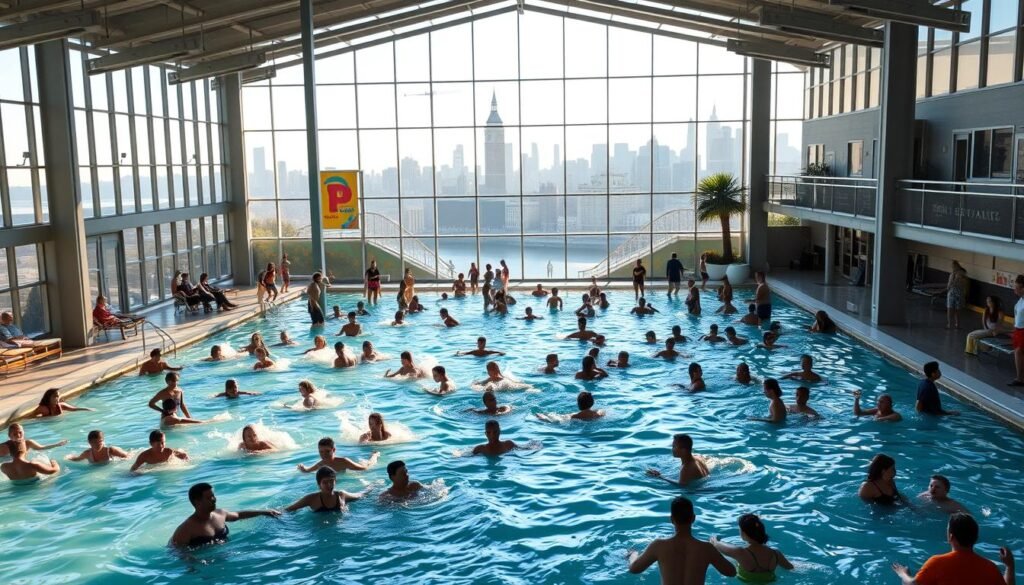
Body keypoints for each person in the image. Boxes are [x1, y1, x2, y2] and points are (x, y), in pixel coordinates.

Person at [626, 496, 737, 582]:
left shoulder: (658, 545)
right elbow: (731, 572)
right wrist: (715, 551)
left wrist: (633, 554)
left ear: (671, 519)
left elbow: (634, 569)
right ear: (693, 518)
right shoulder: (707, 548)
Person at [892, 513, 1015, 585]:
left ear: (950, 536)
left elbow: (912, 584)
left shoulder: (936, 563)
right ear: (976, 538)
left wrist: (903, 574)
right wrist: (1010, 566)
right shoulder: (990, 568)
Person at [170, 483, 280, 548]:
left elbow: (238, 515)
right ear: (197, 502)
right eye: (209, 498)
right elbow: (177, 551)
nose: (214, 500)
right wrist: (194, 563)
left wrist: (263, 512)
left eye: (213, 496)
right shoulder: (186, 529)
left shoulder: (220, 514)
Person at [710, 514, 795, 582]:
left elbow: (717, 545)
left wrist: (714, 540)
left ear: (743, 533)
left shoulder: (740, 552)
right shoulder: (776, 554)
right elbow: (790, 568)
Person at [286, 467, 368, 513]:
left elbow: (360, 495)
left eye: (331, 481)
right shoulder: (311, 499)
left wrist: (372, 487)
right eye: (325, 482)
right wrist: (275, 512)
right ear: (319, 484)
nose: (329, 485)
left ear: (335, 481)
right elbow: (288, 509)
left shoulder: (341, 495)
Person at [646, 434, 710, 487]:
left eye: (674, 447)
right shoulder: (698, 457)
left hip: (700, 492)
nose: (672, 449)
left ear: (683, 450)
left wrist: (660, 477)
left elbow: (681, 486)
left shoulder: (686, 468)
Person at [297, 437, 379, 473]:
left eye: (327, 451)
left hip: (359, 466)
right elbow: (308, 470)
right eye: (321, 452)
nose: (324, 455)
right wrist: (302, 467)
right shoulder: (321, 464)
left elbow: (364, 469)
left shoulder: (343, 461)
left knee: (367, 465)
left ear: (334, 450)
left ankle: (374, 455)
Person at [0, 423, 67, 457]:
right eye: (15, 434)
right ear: (10, 436)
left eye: (20, 432)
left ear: (24, 432)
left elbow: (42, 448)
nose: (18, 435)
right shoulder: (4, 447)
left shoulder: (28, 443)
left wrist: (57, 445)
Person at [28, 388, 93, 417]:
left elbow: (74, 409)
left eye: (58, 396)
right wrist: (43, 420)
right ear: (48, 398)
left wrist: (87, 409)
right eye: (55, 396)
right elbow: (31, 416)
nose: (57, 398)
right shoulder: (44, 409)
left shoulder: (61, 405)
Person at [944, 260, 969, 329]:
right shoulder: (954, 273)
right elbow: (950, 283)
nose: (952, 267)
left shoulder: (960, 273)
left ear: (956, 265)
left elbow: (959, 282)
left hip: (957, 293)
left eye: (953, 266)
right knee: (951, 308)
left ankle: (955, 324)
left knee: (955, 309)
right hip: (953, 293)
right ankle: (952, 323)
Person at [1011, 275, 1024, 387]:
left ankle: (1020, 378)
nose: (1014, 290)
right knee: (1018, 353)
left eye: (1017, 288)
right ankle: (1020, 377)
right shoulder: (1020, 300)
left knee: (1019, 352)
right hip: (1018, 330)